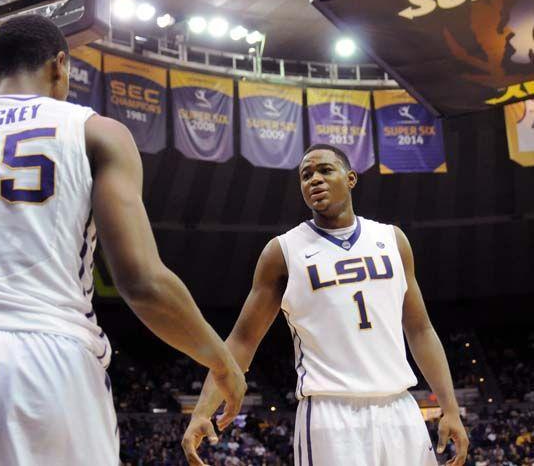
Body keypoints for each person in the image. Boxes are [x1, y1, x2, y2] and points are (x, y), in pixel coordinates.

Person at [0, 14, 245, 465]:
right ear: (61, 66)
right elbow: (142, 282)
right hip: (48, 360)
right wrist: (221, 362)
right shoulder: (95, 132)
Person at [182, 144, 470, 466]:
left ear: (350, 179)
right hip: (330, 416)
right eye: (306, 175)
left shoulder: (392, 240)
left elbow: (420, 330)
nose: (314, 180)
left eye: (324, 171)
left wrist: (450, 409)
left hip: (400, 409)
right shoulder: (283, 252)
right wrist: (201, 411)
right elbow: (242, 341)